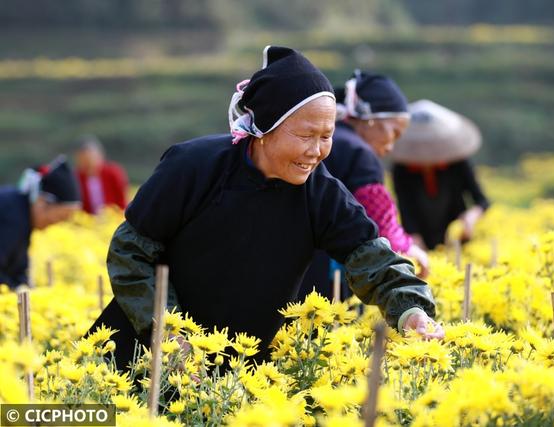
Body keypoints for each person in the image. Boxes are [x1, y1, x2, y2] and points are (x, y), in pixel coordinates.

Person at [88, 46, 443, 371]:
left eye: (326, 136)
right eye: (306, 136)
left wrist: (410, 310)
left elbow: (375, 261)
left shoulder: (322, 193)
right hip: (134, 354)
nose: (316, 151)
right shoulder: (193, 166)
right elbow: (129, 252)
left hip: (237, 372)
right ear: (265, 128)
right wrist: (165, 331)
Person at [298, 70, 431, 302]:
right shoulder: (360, 153)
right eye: (393, 133)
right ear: (371, 118)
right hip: (325, 279)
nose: (390, 147)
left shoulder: (328, 141)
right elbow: (380, 223)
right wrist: (411, 250)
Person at [391, 100, 490, 249]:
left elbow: (482, 200)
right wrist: (414, 238)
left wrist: (471, 217)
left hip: (458, 238)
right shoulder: (402, 169)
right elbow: (405, 206)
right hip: (421, 238)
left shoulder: (458, 163)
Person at [0, 156, 81, 289]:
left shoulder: (21, 212)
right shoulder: (11, 216)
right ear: (42, 202)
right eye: (60, 217)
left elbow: (17, 267)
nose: (56, 224)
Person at [75, 135, 129, 214]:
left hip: (113, 218)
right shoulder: (76, 177)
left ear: (100, 155)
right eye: (83, 159)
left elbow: (122, 200)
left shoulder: (113, 172)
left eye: (90, 157)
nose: (88, 163)